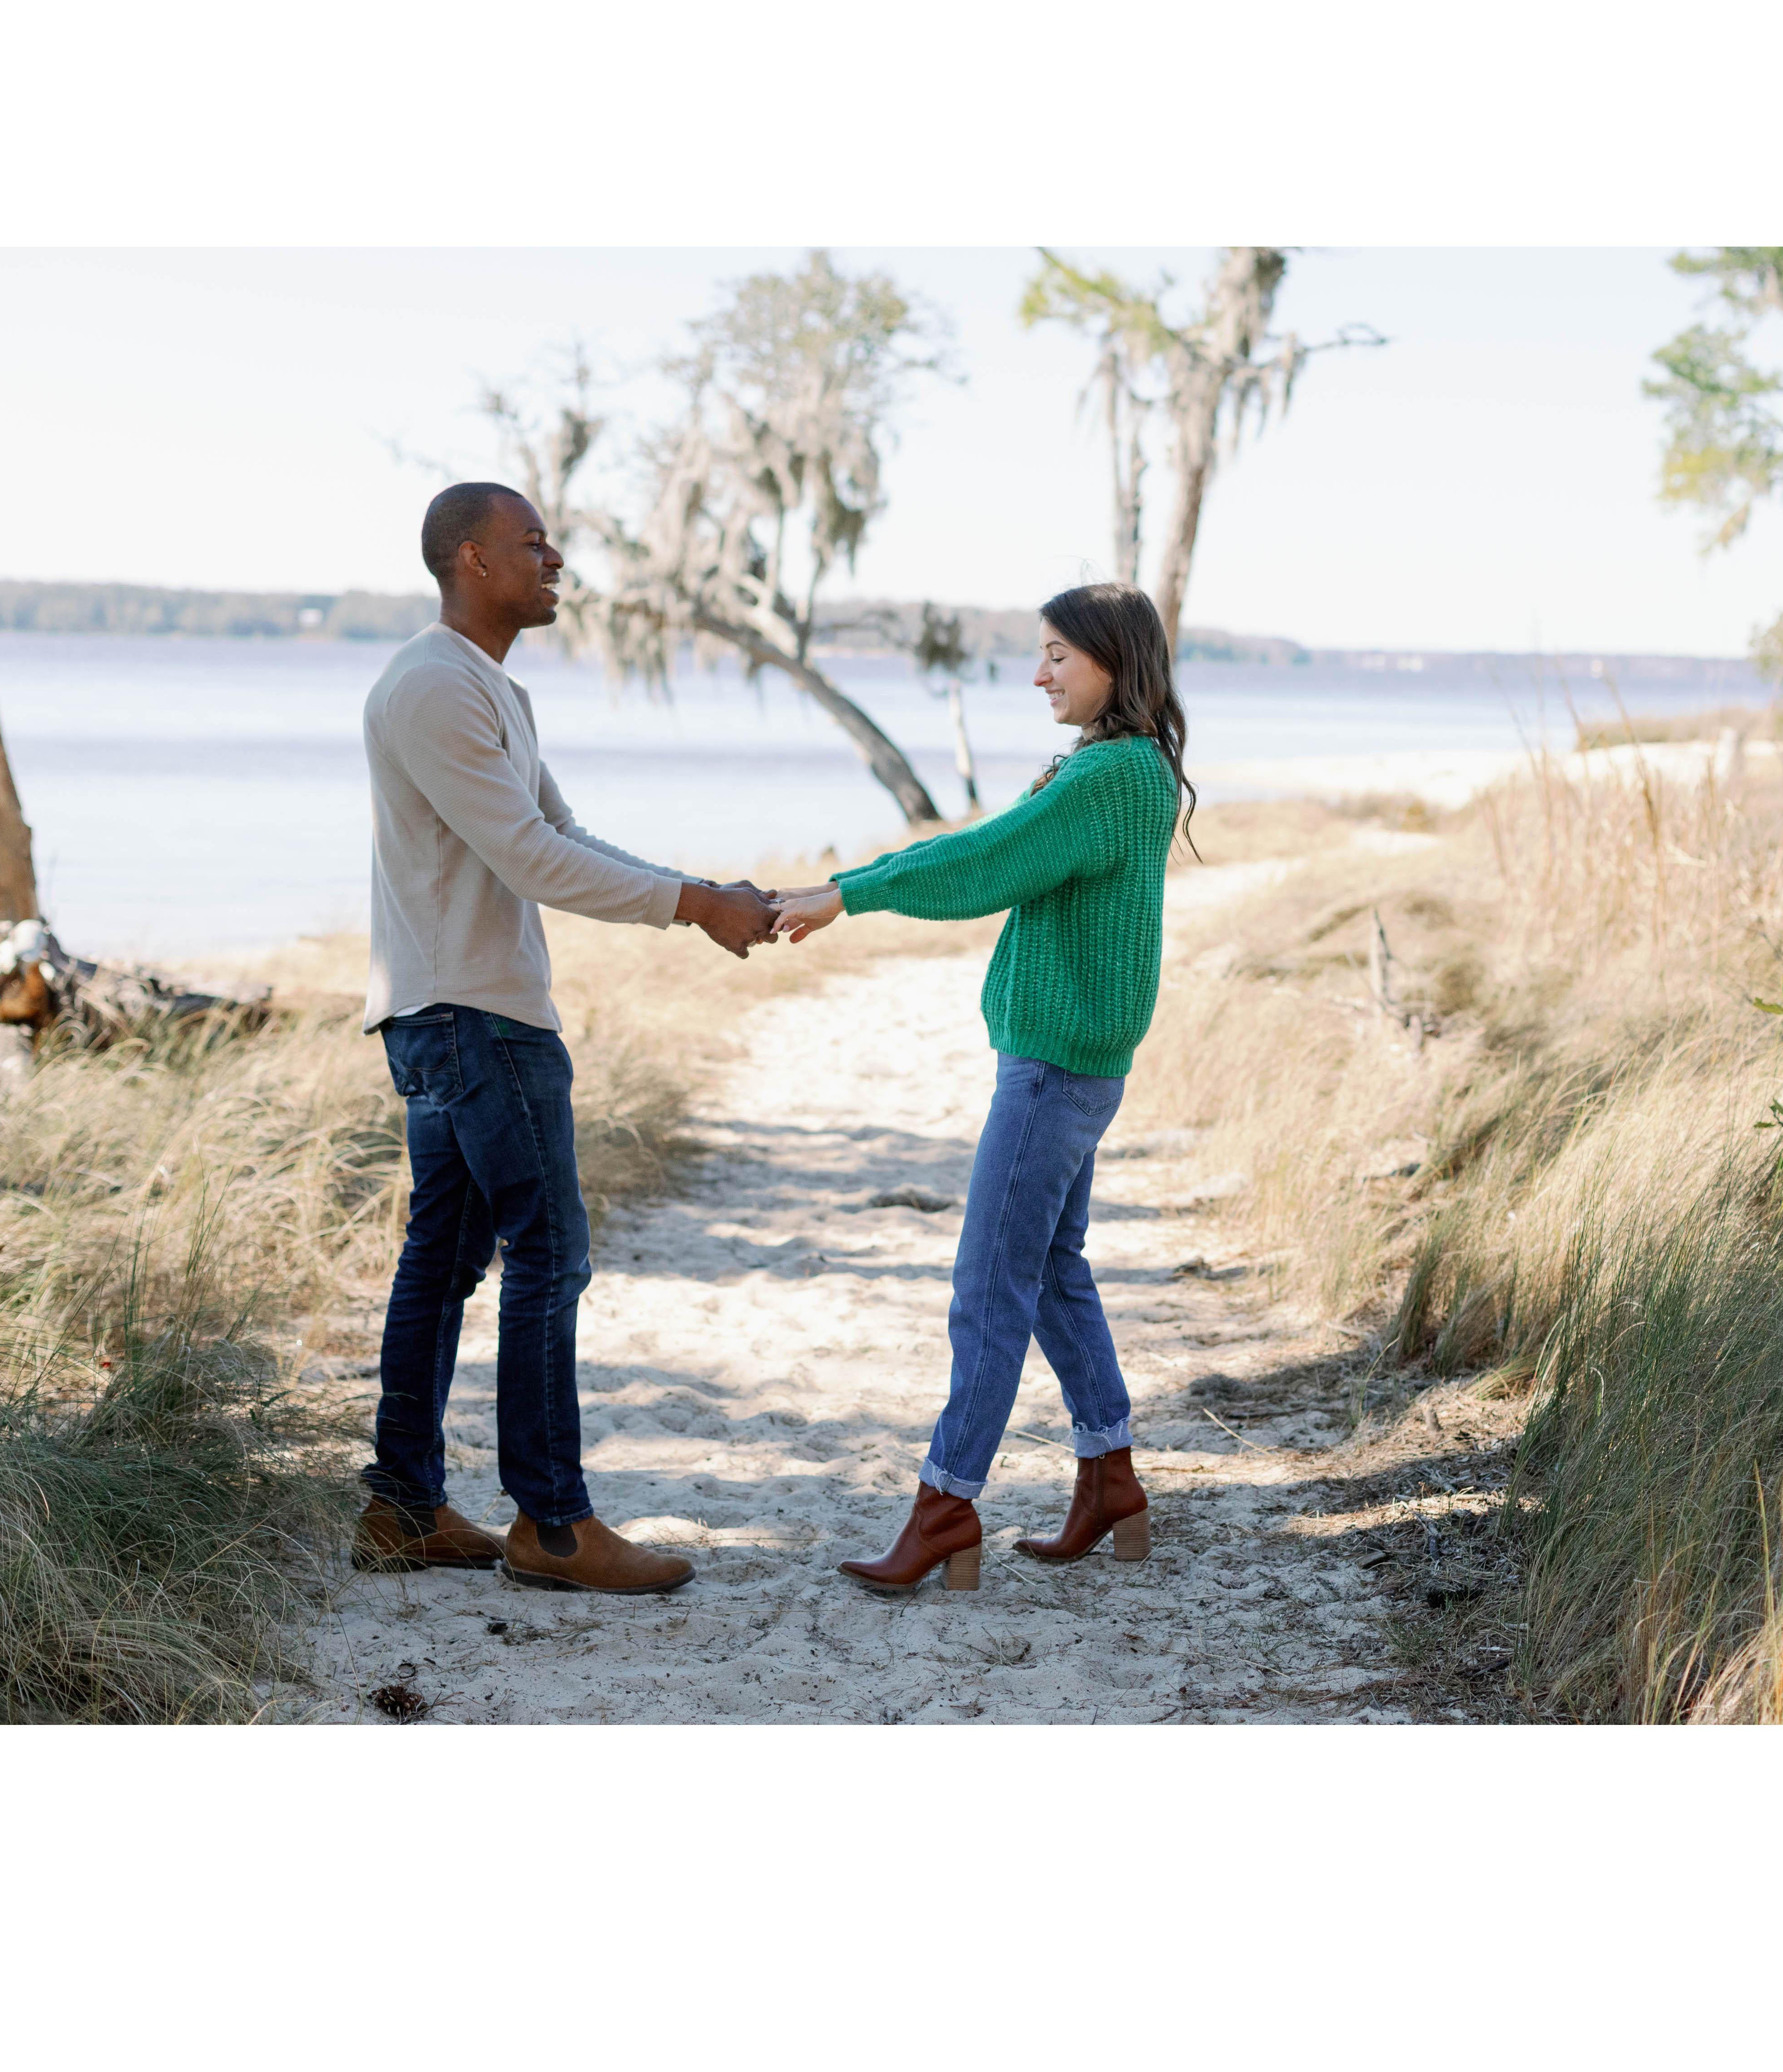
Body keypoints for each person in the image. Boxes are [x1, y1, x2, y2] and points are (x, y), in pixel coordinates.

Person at [352, 481, 776, 1596]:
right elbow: (531, 859)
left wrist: (701, 894)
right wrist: (695, 904)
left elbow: (560, 832)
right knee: (548, 1254)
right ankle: (550, 1524)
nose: (556, 561)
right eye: (533, 543)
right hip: (473, 1017)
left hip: (454, 1008)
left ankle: (402, 1508)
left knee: (444, 1260)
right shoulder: (434, 686)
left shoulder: (484, 685)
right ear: (472, 558)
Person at [773, 583, 1194, 1593]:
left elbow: (987, 860)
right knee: (1050, 1272)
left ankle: (947, 1504)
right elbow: (1006, 854)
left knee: (989, 1286)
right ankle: (1111, 1480)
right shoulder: (1129, 766)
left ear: (1113, 661)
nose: (1039, 675)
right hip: (1077, 1066)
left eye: (1058, 655)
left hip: (1052, 1071)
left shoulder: (1110, 774)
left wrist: (850, 892)